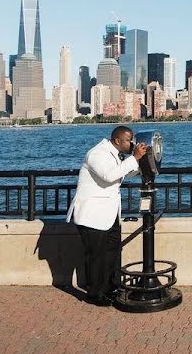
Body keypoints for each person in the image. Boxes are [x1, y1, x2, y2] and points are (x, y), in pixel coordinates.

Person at [66, 125, 146, 306]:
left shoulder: (116, 155)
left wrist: (141, 163)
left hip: (109, 215)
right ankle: (95, 294)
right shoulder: (97, 154)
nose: (131, 143)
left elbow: (121, 173)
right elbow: (109, 176)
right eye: (129, 140)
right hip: (92, 216)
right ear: (117, 141)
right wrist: (134, 158)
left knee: (112, 253)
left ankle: (111, 287)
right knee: (96, 256)